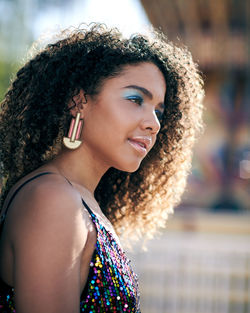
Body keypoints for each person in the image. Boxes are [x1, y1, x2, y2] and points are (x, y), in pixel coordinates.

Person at [0, 24, 204, 312]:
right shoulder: (53, 200)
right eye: (135, 99)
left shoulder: (78, 199)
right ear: (78, 102)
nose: (154, 124)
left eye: (159, 111)